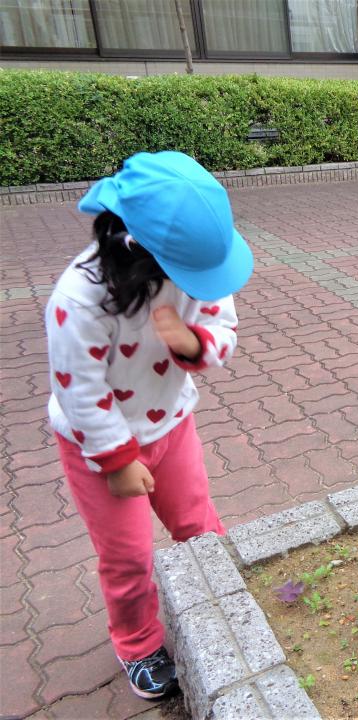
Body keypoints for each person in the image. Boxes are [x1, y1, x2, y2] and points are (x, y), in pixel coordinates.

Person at [45, 151, 253, 700]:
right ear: (138, 250)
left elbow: (221, 321)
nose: (199, 286)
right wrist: (116, 462)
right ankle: (137, 642)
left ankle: (223, 601)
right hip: (102, 450)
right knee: (129, 555)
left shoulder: (194, 266)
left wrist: (194, 343)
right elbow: (79, 389)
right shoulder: (80, 299)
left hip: (172, 426)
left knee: (198, 524)